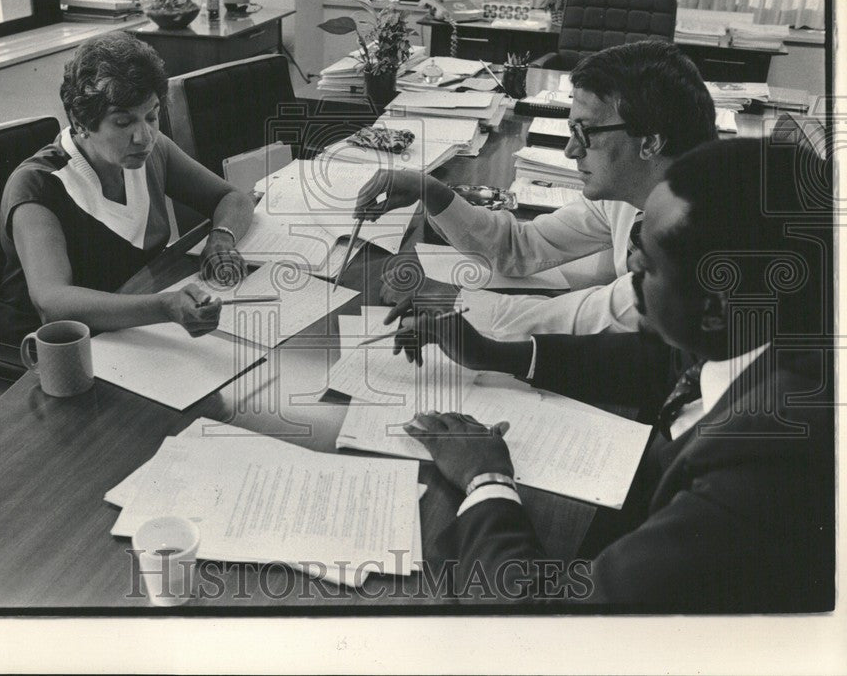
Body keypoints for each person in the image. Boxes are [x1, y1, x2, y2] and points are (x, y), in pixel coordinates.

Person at [397, 138, 833, 609]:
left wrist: (487, 478)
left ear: (716, 305)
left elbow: (552, 624)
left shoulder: (756, 473)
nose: (631, 281)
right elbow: (659, 363)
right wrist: (499, 354)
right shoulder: (770, 330)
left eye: (644, 268)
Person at [354, 39, 718, 338]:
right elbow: (521, 248)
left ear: (650, 142)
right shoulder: (632, 194)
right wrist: (432, 191)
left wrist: (454, 302)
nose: (571, 150)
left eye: (585, 132)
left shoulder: (697, 229)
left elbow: (584, 317)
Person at [0, 31, 254, 343]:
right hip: (51, 351)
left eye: (152, 116)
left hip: (133, 328)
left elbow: (232, 198)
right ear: (80, 121)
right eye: (123, 122)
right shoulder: (36, 186)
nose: (143, 137)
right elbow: (52, 302)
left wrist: (221, 240)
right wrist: (164, 307)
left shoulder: (154, 151)